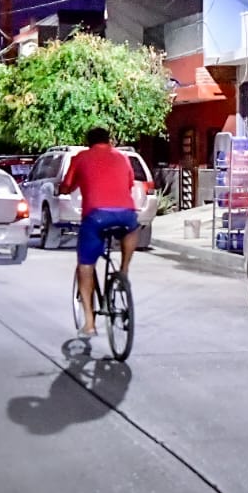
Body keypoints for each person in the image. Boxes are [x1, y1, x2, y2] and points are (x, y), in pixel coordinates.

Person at [59, 127, 139, 338]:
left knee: (85, 267)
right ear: (109, 140)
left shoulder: (81, 157)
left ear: (88, 142)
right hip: (126, 214)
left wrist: (68, 189)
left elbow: (66, 185)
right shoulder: (122, 158)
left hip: (95, 217)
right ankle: (123, 270)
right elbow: (129, 184)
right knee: (132, 228)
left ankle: (89, 324)